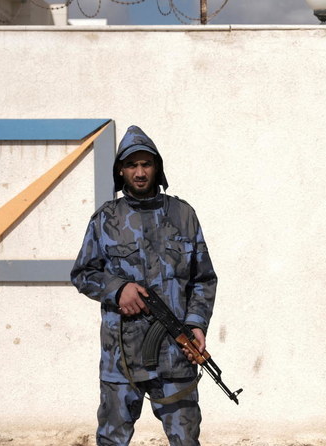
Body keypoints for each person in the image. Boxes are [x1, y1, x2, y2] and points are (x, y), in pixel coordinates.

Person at [71, 125, 217, 446]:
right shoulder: (105, 220)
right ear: (120, 170)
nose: (139, 173)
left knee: (186, 441)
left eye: (146, 164)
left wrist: (195, 324)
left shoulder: (183, 215)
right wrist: (116, 289)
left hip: (176, 355)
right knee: (112, 440)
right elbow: (83, 273)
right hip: (121, 358)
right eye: (131, 165)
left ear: (157, 168)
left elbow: (203, 278)